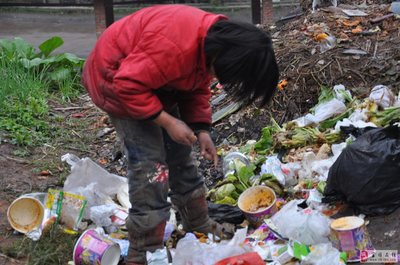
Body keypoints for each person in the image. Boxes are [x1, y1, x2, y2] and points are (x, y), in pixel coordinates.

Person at [82, 4, 279, 265]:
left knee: (181, 157)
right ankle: (144, 252)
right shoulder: (174, 46)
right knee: (151, 170)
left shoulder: (211, 46)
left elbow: (196, 85)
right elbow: (127, 84)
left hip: (153, 80)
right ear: (227, 59)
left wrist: (201, 129)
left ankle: (199, 225)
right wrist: (167, 121)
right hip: (116, 81)